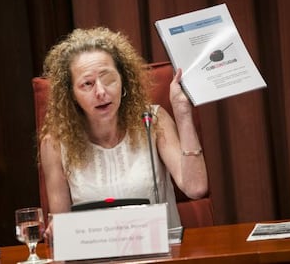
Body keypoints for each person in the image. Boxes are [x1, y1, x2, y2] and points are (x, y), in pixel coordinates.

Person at [39, 27, 208, 237]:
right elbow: (62, 230)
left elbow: (196, 188)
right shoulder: (55, 144)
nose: (101, 92)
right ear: (71, 94)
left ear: (123, 80)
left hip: (159, 255)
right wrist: (57, 231)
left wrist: (182, 112)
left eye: (108, 78)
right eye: (87, 84)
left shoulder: (152, 121)